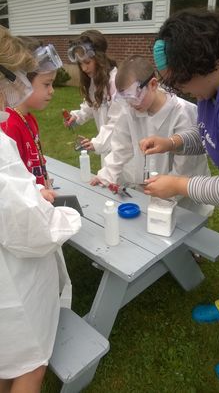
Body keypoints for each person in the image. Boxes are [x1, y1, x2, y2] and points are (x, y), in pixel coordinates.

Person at [139, 8, 219, 384]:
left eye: (180, 84)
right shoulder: (213, 84)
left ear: (202, 64)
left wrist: (178, 185)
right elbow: (206, 134)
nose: (181, 92)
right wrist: (173, 141)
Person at [0, 25, 81, 393]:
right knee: (30, 365)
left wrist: (35, 190)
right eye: (18, 78)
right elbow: (30, 229)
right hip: (13, 280)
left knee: (6, 361)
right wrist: (68, 217)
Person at [91, 55, 213, 217]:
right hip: (153, 192)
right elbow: (121, 147)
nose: (131, 105)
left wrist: (165, 193)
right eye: (126, 100)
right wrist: (106, 175)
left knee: (187, 231)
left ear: (153, 84)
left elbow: (184, 167)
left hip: (185, 195)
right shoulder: (130, 109)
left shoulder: (182, 113)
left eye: (134, 98)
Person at [1, 37, 62, 203]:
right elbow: (12, 182)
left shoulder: (29, 119)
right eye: (47, 84)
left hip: (40, 199)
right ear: (22, 82)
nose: (52, 91)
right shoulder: (9, 126)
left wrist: (44, 181)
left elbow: (35, 157)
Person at [65, 30, 125, 165]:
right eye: (80, 64)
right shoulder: (96, 80)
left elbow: (117, 123)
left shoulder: (116, 82)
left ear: (99, 57)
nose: (84, 68)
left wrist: (96, 143)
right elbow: (92, 104)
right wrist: (77, 116)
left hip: (124, 152)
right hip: (107, 148)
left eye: (87, 62)